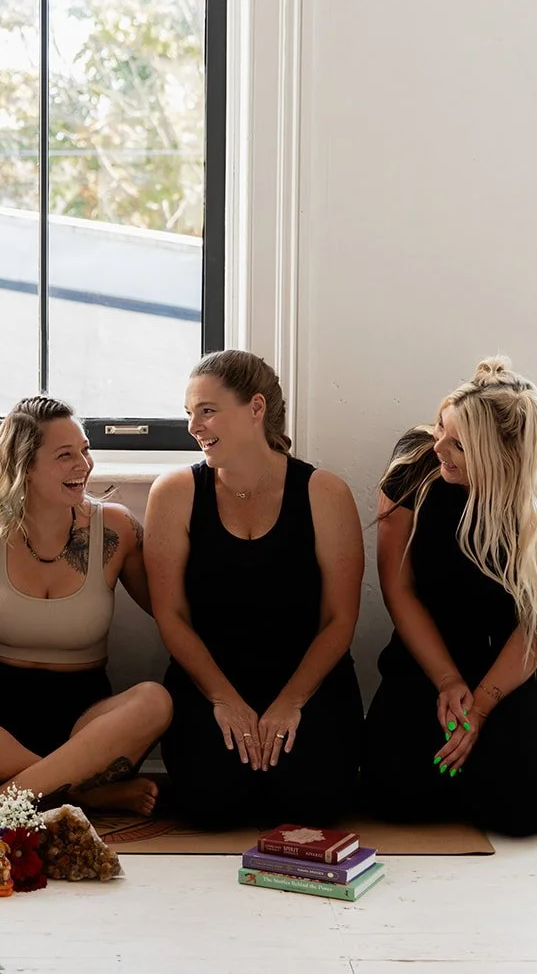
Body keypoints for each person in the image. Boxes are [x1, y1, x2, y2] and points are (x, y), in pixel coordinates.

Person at [362, 356, 537, 836]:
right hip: (433, 657)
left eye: (459, 444)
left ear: (503, 454)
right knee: (392, 795)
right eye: (440, 427)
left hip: (534, 663)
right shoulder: (415, 464)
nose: (438, 447)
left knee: (524, 810)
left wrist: (480, 708)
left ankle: (493, 765)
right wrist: (448, 680)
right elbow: (398, 589)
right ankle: (473, 771)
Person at [0, 397, 171, 823]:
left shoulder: (116, 528)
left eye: (85, 450)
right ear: (24, 465)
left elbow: (167, 611)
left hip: (86, 723)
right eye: (65, 455)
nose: (84, 464)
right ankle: (85, 793)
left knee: (155, 700)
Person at [144, 350, 366, 828]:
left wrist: (292, 702)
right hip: (211, 681)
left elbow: (339, 620)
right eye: (189, 414)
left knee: (315, 804)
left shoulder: (325, 493)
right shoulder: (174, 493)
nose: (194, 427)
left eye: (207, 411)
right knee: (212, 805)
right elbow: (171, 616)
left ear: (256, 408)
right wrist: (223, 699)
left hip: (306, 681)